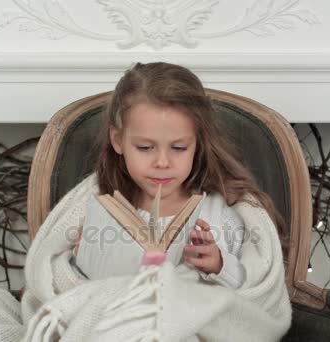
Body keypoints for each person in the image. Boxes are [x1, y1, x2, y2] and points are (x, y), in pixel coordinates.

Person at [72, 62, 286, 290]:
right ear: (118, 140)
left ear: (197, 144)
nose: (162, 162)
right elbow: (74, 286)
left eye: (179, 148)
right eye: (145, 147)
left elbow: (250, 289)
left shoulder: (218, 214)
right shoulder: (101, 208)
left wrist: (219, 265)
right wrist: (81, 257)